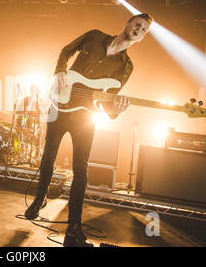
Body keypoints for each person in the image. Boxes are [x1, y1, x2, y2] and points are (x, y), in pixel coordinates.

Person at [24, 13, 153, 246]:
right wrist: (60, 71)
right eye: (137, 24)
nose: (138, 30)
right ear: (126, 23)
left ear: (143, 37)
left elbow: (108, 101)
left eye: (143, 30)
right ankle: (39, 198)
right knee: (48, 156)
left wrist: (117, 111)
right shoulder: (94, 36)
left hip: (85, 117)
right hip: (59, 104)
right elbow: (65, 50)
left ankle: (74, 224)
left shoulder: (126, 66)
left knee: (80, 169)